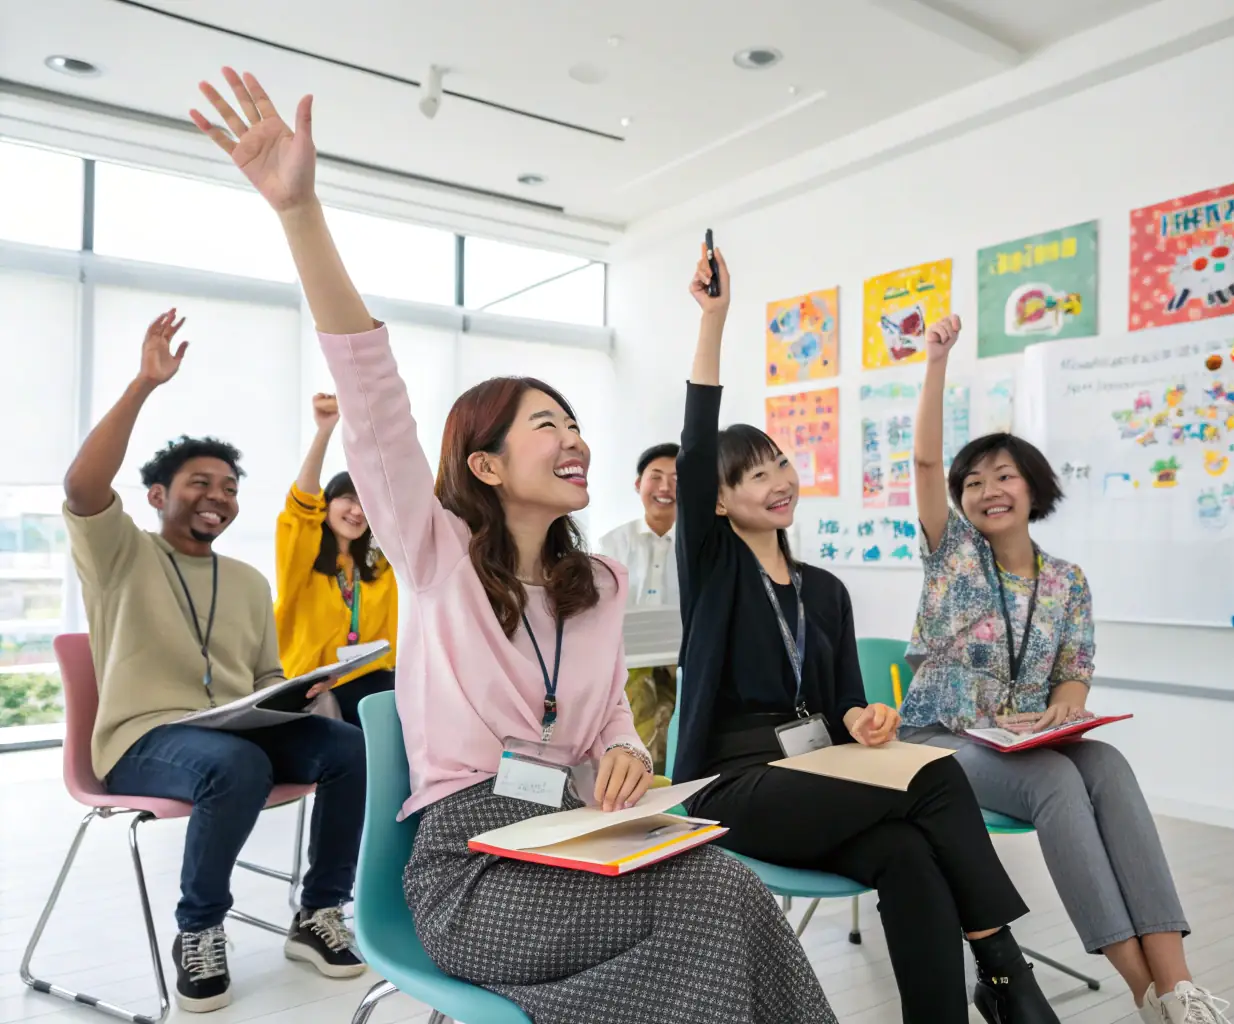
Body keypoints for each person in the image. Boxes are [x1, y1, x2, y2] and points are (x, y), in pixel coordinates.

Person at [191, 67, 839, 1024]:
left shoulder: (602, 582)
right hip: (471, 863)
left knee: (731, 891)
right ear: (485, 465)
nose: (573, 436)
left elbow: (609, 718)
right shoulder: (435, 551)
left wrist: (620, 753)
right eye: (546, 424)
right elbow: (371, 400)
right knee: (707, 910)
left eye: (575, 420)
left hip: (584, 829)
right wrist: (300, 214)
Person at [672, 247, 1060, 1024]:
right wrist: (713, 320)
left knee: (908, 855)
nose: (779, 479)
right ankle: (1009, 981)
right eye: (754, 475)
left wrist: (862, 717)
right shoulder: (713, 569)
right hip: (731, 785)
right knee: (936, 777)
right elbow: (693, 446)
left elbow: (846, 698)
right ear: (716, 502)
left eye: (781, 463)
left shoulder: (824, 590)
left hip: (817, 771)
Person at [899, 314, 1230, 1024]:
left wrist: (1067, 705)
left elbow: (1075, 665)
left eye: (1004, 475)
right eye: (974, 481)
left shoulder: (1066, 580)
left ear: (1032, 487)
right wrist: (936, 361)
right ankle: (1142, 988)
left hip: (1020, 738)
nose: (988, 489)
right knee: (1055, 779)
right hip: (938, 738)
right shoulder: (952, 557)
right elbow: (925, 464)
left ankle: (1176, 986)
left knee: (1104, 761)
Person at [63, 309, 367, 1014]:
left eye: (229, 487)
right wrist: (143, 384)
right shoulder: (121, 555)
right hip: (146, 742)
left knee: (350, 746)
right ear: (158, 496)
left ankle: (320, 911)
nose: (219, 496)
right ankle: (198, 928)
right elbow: (82, 488)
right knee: (236, 767)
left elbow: (262, 678)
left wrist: (298, 691)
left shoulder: (248, 580)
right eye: (200, 483)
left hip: (237, 730)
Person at [275, 392, 399, 728]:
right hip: (306, 689)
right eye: (347, 498)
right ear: (326, 504)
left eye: (366, 503)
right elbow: (300, 506)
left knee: (397, 696)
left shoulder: (378, 571)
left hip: (366, 685)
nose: (358, 510)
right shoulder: (303, 564)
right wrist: (324, 431)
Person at [597, 442, 679, 766]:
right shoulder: (612, 543)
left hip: (682, 659)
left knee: (677, 736)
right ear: (638, 484)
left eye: (676, 478)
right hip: (630, 660)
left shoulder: (700, 545)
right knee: (638, 739)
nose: (665, 487)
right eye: (655, 476)